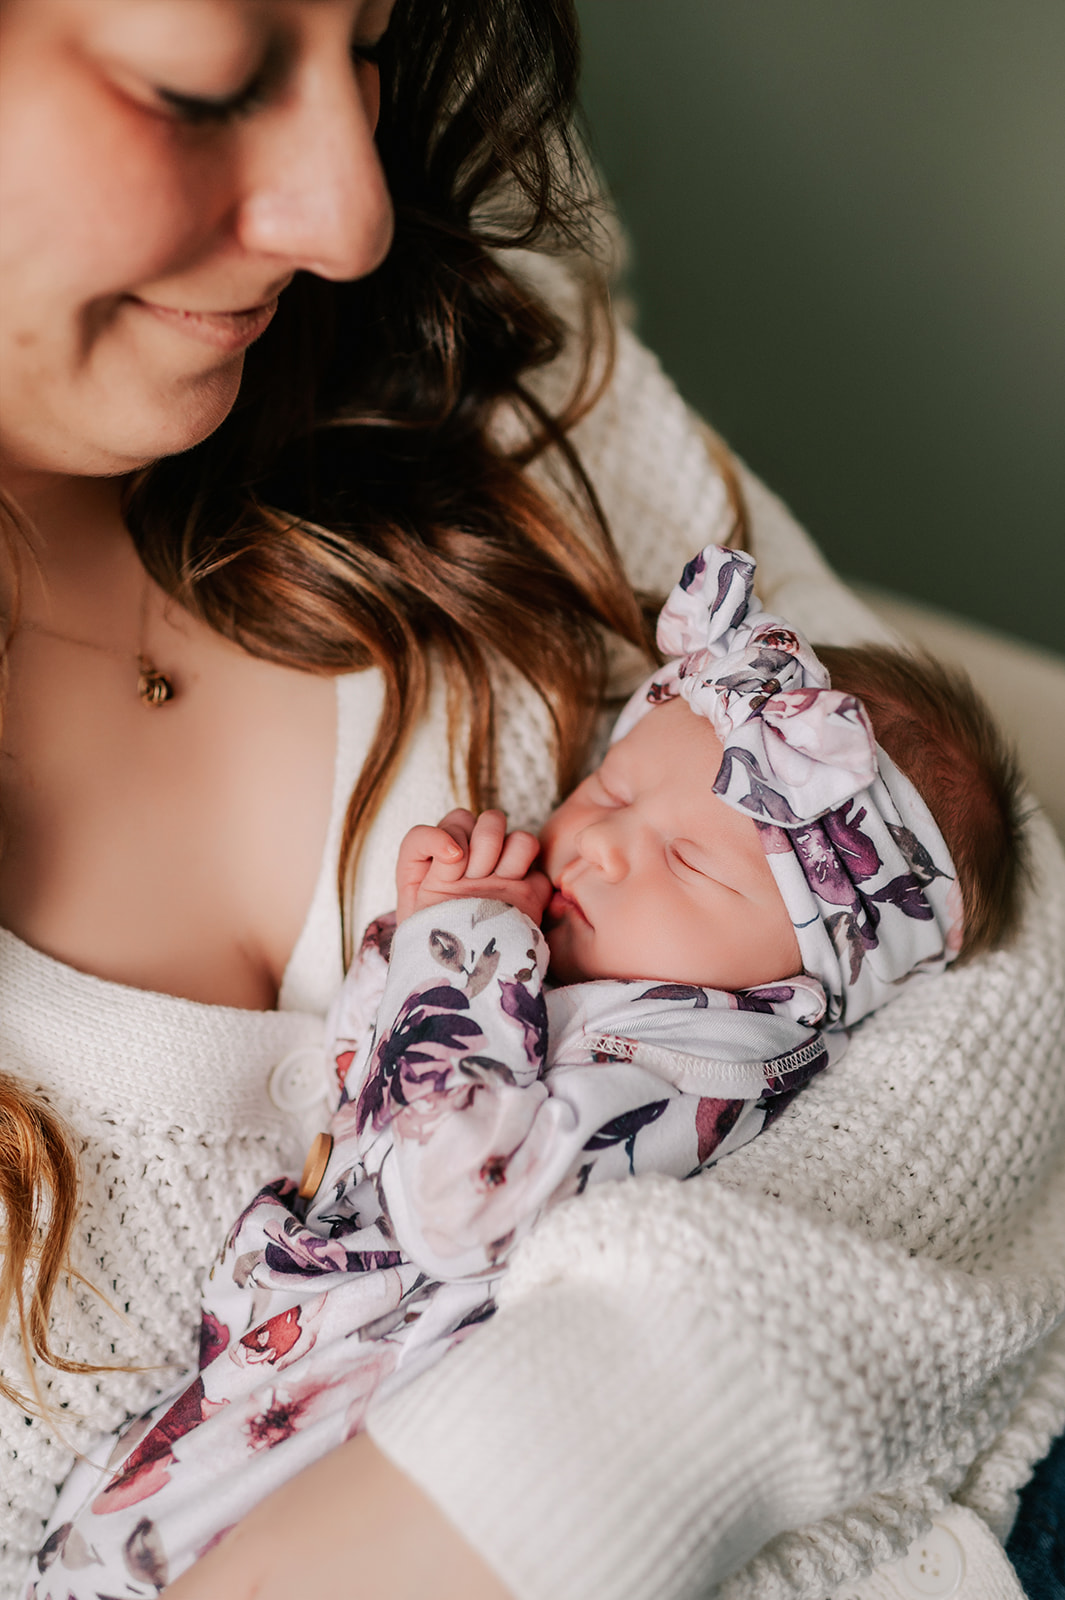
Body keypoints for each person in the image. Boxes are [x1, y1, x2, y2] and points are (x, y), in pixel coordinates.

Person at [1, 3, 1063, 1598]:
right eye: (202, 83)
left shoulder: (452, 351)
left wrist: (585, 1462)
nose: (349, 214)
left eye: (362, 43)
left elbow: (997, 936)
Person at [27, 546, 1029, 1597]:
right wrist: (416, 937)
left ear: (814, 976)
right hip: (235, 1409)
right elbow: (366, 1096)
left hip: (328, 1466)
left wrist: (466, 942)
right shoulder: (592, 985)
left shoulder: (701, 1062)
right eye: (612, 786)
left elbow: (463, 1191)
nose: (602, 846)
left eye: (689, 860)